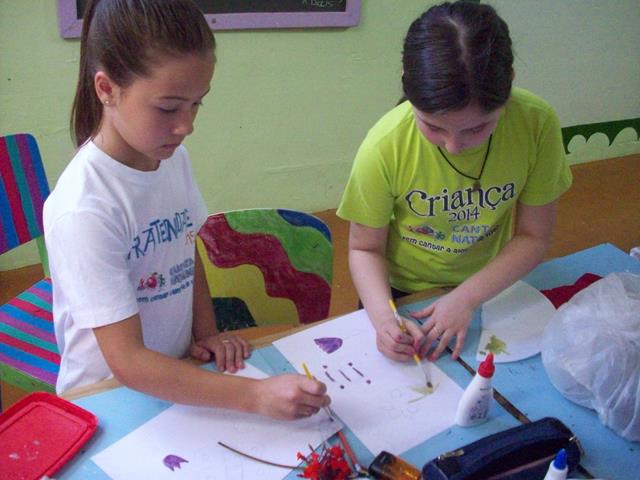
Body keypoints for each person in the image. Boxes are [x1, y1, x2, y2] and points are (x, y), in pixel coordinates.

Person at [43, 0, 329, 420]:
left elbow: (184, 246)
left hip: (174, 375)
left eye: (197, 103)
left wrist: (206, 333)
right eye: (168, 107)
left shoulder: (171, 159)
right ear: (106, 89)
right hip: (106, 400)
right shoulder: (84, 209)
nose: (186, 126)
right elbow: (128, 362)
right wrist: (254, 396)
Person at [337, 1, 572, 364]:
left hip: (490, 284)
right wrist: (385, 320)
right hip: (400, 296)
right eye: (432, 126)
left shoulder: (536, 124)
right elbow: (365, 249)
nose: (454, 146)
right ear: (407, 82)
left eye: (477, 128)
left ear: (509, 82)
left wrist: (467, 297)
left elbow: (534, 236)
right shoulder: (384, 146)